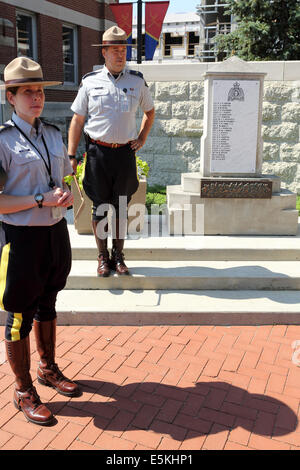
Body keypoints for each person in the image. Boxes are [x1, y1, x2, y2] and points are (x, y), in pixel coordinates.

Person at [0, 57, 81, 426]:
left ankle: (48, 368)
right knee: (19, 314)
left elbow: (62, 181)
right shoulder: (2, 141)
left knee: (49, 301)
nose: (36, 98)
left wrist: (63, 194)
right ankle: (22, 390)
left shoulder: (51, 132)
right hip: (20, 239)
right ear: (10, 97)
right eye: (27, 92)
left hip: (54, 233)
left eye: (40, 91)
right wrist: (38, 200)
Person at [68, 26, 155, 277]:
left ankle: (118, 256)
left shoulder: (136, 81)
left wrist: (142, 137)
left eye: (123, 50)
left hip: (125, 155)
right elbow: (77, 120)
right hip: (98, 154)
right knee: (100, 208)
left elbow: (150, 112)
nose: (120, 55)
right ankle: (102, 257)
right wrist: (71, 155)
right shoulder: (89, 82)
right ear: (103, 52)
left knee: (121, 207)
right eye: (114, 50)